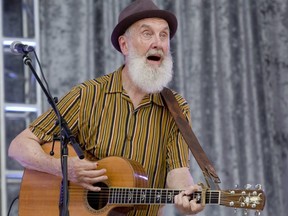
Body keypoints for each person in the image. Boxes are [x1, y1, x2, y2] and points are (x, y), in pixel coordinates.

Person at [8, 0, 204, 215]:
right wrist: (65, 169)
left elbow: (178, 170)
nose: (158, 43)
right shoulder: (87, 95)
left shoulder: (176, 108)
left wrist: (187, 196)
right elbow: (19, 146)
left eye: (164, 35)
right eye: (147, 34)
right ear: (124, 45)